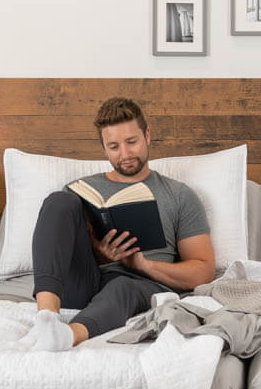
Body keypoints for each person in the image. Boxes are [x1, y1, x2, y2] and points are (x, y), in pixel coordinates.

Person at [20, 97, 215, 351]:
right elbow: (62, 250)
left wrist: (143, 265)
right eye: (113, 146)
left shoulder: (179, 195)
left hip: (141, 286)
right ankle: (46, 318)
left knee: (123, 285)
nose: (124, 154)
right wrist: (100, 256)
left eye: (131, 142)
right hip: (87, 284)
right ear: (103, 148)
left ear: (147, 135)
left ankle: (68, 335)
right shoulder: (83, 190)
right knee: (59, 201)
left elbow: (203, 271)